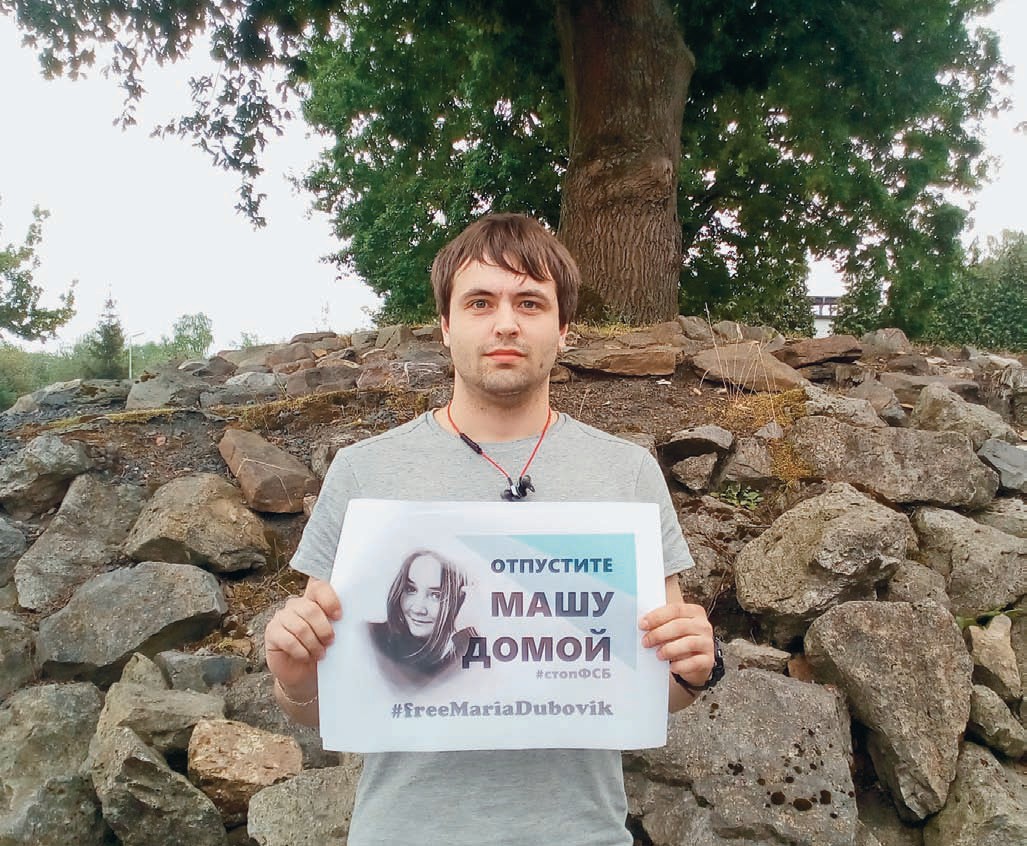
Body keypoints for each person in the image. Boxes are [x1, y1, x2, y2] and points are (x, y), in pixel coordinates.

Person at [264, 213, 720, 846]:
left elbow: (653, 690)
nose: (505, 323)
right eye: (480, 302)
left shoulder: (628, 473)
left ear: (563, 330)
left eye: (530, 302)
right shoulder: (364, 473)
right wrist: (293, 676)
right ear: (446, 326)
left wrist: (692, 669)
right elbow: (322, 702)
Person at [367, 548, 476, 685]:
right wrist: (468, 639)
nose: (418, 609)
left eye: (436, 595)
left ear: (461, 600)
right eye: (410, 589)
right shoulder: (370, 639)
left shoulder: (454, 654)